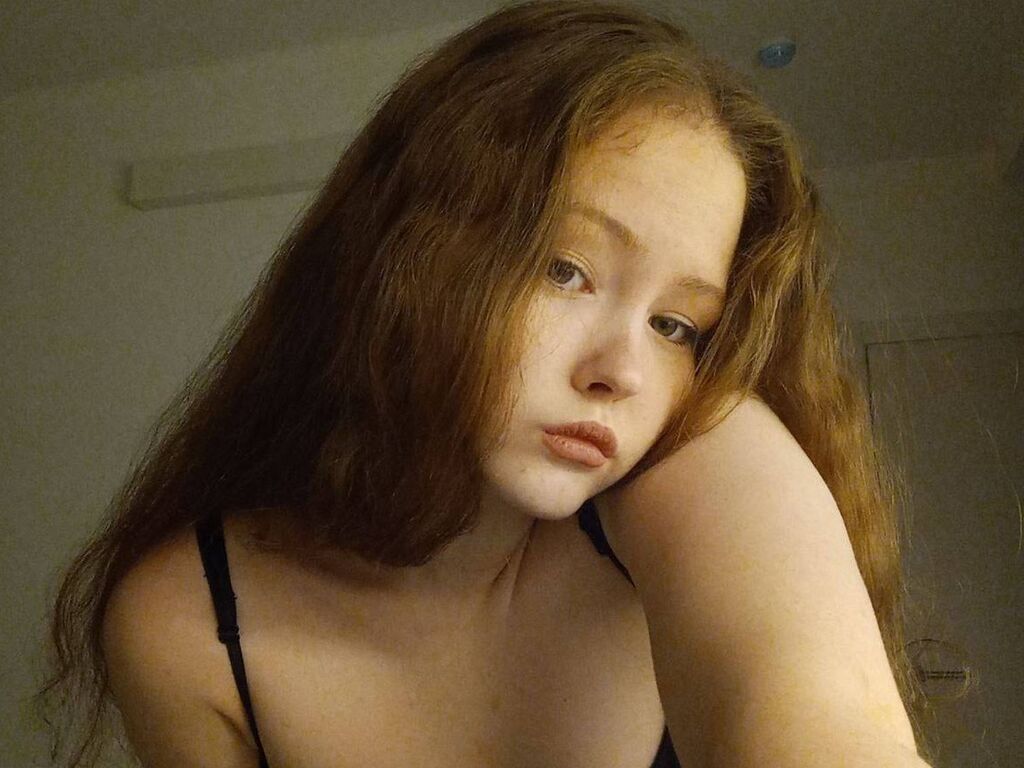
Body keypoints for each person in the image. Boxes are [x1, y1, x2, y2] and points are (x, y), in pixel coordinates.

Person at [31, 1, 933, 766]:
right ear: (407, 250)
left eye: (675, 325)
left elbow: (829, 725)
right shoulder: (189, 624)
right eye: (565, 271)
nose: (621, 372)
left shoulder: (696, 457)